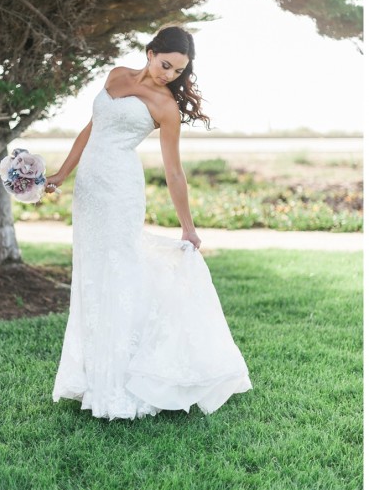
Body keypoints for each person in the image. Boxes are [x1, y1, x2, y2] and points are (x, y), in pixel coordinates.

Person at [45, 25, 252, 420]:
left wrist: (188, 226)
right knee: (93, 274)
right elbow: (90, 130)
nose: (168, 75)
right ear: (150, 51)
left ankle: (125, 382)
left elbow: (175, 173)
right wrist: (60, 175)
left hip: (121, 191)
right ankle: (94, 376)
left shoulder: (165, 106)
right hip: (89, 190)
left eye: (177, 72)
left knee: (120, 273)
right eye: (165, 64)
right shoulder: (116, 76)